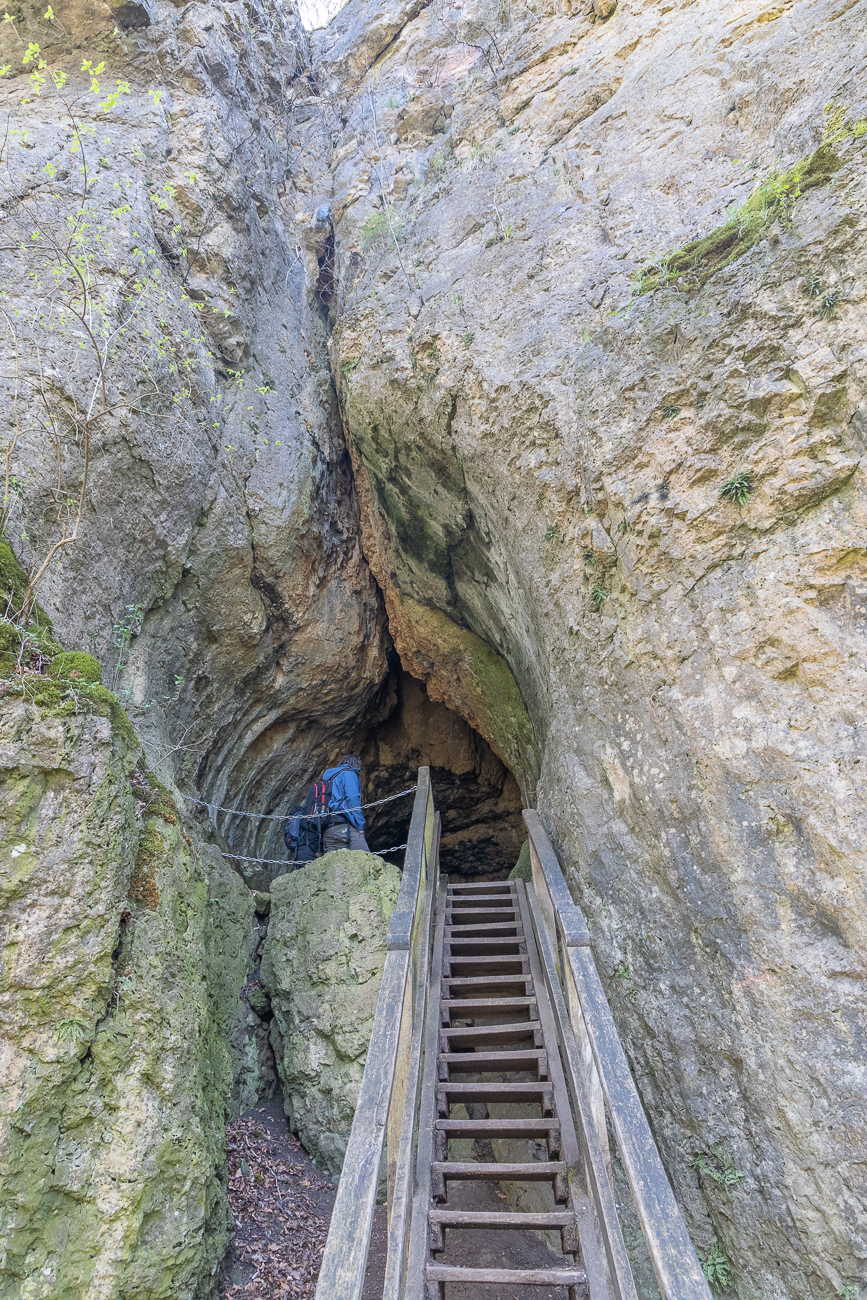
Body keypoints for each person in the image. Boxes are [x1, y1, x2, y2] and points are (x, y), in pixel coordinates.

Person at [321, 753, 370, 853]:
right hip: (343, 827)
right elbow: (352, 798)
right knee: (368, 861)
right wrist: (360, 825)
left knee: (335, 867)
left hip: (327, 830)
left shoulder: (329, 778)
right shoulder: (349, 773)